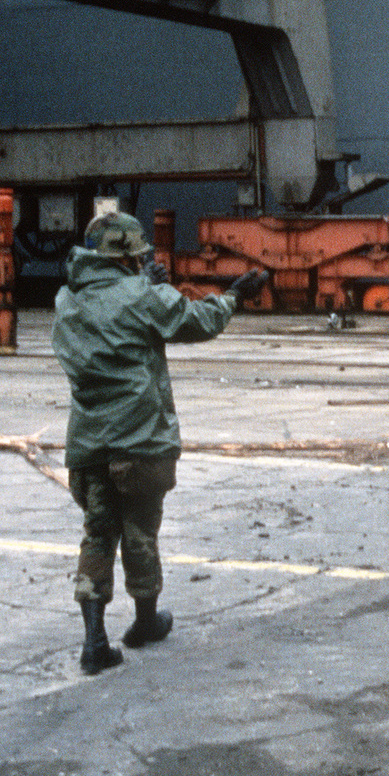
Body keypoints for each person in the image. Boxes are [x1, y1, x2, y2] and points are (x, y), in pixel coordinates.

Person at [53, 211, 267, 674]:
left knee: (97, 534)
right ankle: (146, 623)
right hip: (141, 442)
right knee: (141, 533)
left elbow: (108, 309)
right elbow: (196, 321)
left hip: (89, 446)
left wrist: (145, 287)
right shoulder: (143, 294)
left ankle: (94, 642)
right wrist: (233, 296)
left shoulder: (66, 301)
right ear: (130, 256)